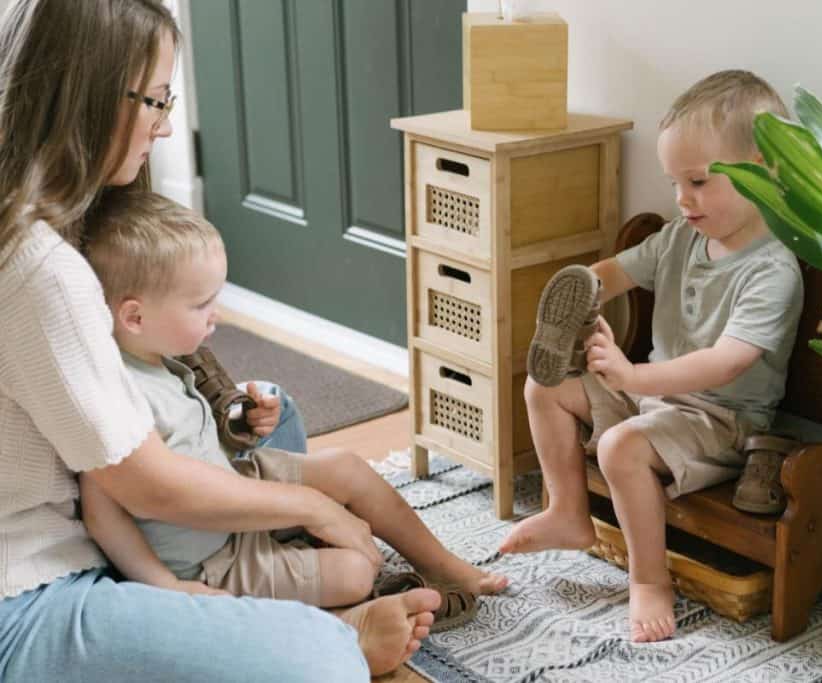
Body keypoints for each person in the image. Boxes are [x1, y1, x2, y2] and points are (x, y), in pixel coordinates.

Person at [0, 1, 440, 679]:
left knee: (276, 412)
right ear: (85, 93)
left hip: (112, 510)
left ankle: (269, 588)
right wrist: (315, 506)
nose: (167, 122)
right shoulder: (41, 268)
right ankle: (332, 630)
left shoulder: (64, 222)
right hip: (36, 583)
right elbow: (144, 487)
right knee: (320, 662)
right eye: (153, 100)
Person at [79, 190, 508, 612]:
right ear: (134, 317)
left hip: (239, 486)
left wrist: (239, 424)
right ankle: (348, 610)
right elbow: (103, 515)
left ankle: (442, 565)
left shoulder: (159, 358)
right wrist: (167, 585)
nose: (218, 314)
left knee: (346, 467)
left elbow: (194, 438)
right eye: (201, 304)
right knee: (357, 571)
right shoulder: (115, 394)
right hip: (212, 561)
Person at [499, 70, 804, 643]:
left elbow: (728, 362)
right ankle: (568, 511)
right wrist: (584, 290)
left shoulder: (771, 271)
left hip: (720, 420)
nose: (682, 199)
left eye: (698, 182)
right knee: (544, 388)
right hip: (653, 397)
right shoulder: (679, 237)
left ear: (763, 173)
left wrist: (632, 372)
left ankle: (650, 580)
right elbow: (614, 273)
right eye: (674, 183)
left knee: (620, 446)